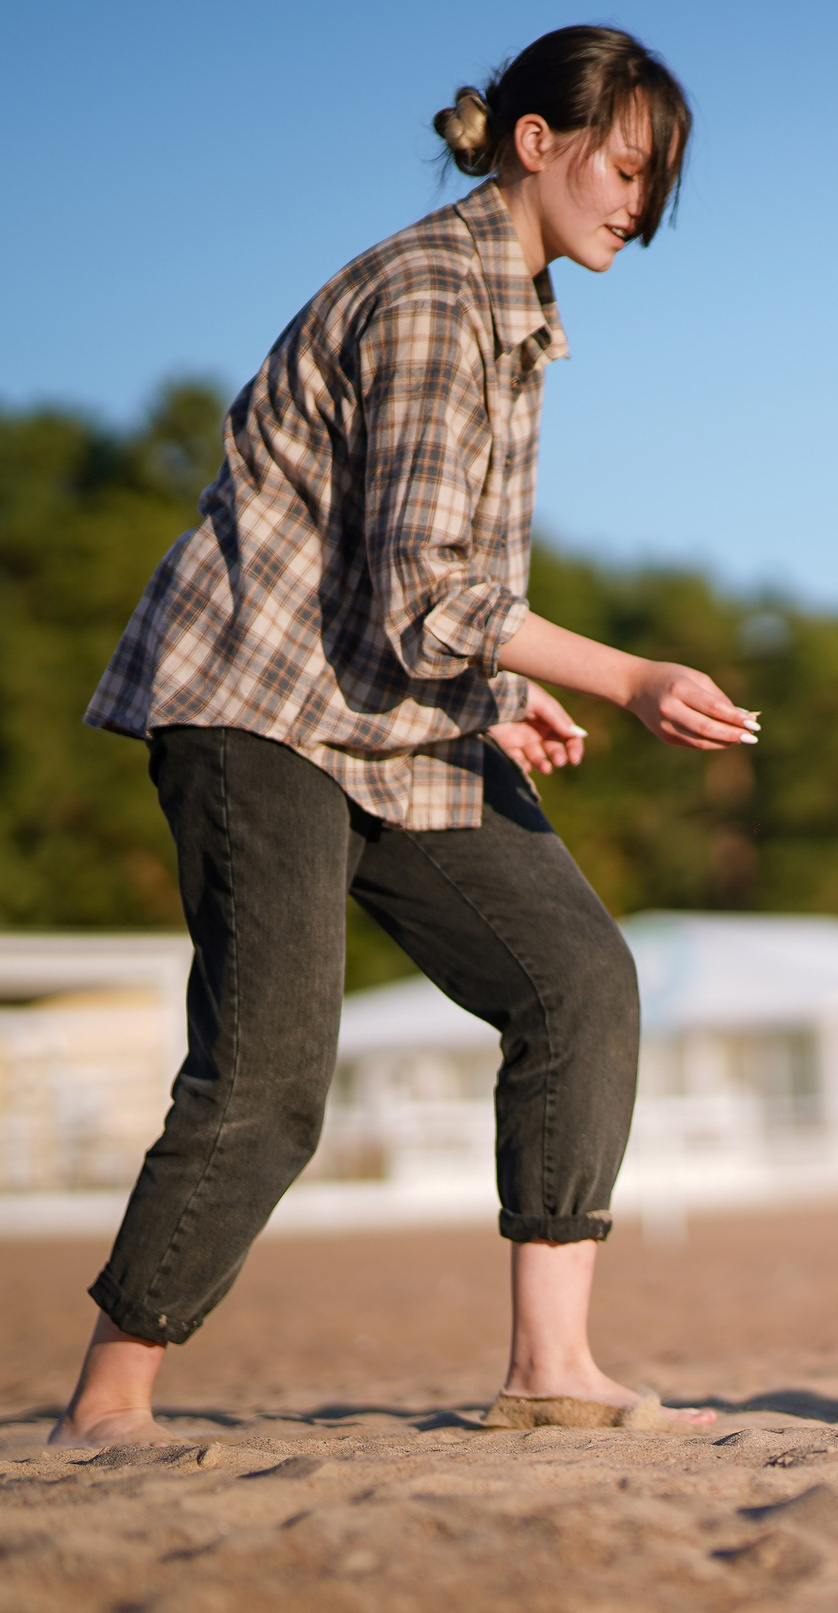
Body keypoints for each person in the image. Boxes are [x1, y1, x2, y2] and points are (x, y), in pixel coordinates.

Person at [52, 27, 747, 1445]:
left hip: (395, 713)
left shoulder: (517, 310)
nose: (639, 205)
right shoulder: (432, 293)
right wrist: (625, 675)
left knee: (577, 980)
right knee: (269, 1079)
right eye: (624, 169)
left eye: (655, 185)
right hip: (257, 708)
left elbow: (421, 586)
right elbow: (428, 589)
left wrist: (506, 688)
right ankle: (107, 1402)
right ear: (535, 143)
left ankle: (552, 1370)